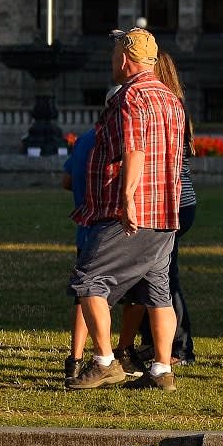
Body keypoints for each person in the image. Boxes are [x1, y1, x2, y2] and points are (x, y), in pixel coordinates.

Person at [65, 27, 187, 392]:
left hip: (132, 214)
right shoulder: (171, 98)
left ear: (124, 58)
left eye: (113, 55)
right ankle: (161, 370)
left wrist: (127, 198)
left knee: (89, 280)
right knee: (158, 291)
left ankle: (105, 362)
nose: (111, 61)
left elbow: (135, 149)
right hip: (165, 211)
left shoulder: (131, 96)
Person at [117, 50, 200, 370]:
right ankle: (154, 341)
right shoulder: (175, 106)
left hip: (169, 201)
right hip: (181, 201)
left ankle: (178, 347)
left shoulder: (158, 105)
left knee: (164, 276)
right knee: (152, 273)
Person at [62, 118, 101, 382]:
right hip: (111, 228)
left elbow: (66, 180)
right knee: (133, 295)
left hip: (85, 228)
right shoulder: (118, 138)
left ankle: (74, 360)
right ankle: (113, 355)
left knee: (84, 294)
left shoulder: (84, 139)